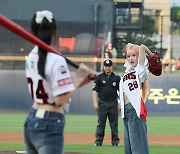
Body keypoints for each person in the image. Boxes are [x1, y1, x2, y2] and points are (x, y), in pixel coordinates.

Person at [24, 10, 96, 154]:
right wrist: (79, 78)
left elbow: (54, 92)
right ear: (54, 33)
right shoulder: (57, 60)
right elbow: (59, 100)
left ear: (32, 32)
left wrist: (82, 81)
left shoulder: (31, 56)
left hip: (32, 120)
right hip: (49, 122)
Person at [119, 43, 153, 154]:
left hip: (134, 110)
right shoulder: (127, 71)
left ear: (139, 56)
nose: (130, 58)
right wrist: (129, 47)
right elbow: (126, 50)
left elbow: (143, 47)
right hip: (125, 112)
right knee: (129, 150)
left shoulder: (140, 69)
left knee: (138, 150)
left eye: (134, 55)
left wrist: (150, 55)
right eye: (128, 56)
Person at [92, 59, 120, 147]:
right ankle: (98, 141)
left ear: (112, 67)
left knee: (114, 124)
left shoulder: (116, 77)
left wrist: (120, 102)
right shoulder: (99, 77)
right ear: (104, 67)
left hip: (113, 102)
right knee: (101, 123)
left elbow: (121, 91)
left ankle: (115, 142)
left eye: (109, 66)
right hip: (102, 103)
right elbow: (95, 91)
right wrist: (95, 102)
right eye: (106, 66)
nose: (107, 68)